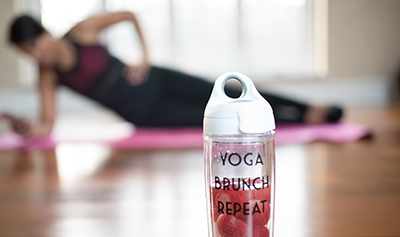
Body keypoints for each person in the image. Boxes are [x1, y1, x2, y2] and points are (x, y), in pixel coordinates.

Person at [7, 12, 342, 138]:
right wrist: (28, 130)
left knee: (231, 90)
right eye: (28, 53)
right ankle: (301, 122)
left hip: (156, 78)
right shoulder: (47, 76)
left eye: (35, 45)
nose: (37, 55)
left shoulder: (81, 31)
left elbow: (129, 15)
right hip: (144, 112)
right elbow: (47, 126)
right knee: (221, 123)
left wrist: (145, 57)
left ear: (45, 34)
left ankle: (308, 107)